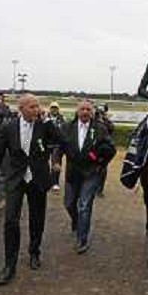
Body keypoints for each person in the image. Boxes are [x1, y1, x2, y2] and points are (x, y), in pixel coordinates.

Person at [0, 94, 63, 285]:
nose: (36, 110)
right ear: (21, 108)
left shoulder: (44, 126)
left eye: (37, 106)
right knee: (11, 220)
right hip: (16, 179)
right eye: (31, 107)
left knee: (37, 218)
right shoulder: (8, 127)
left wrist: (48, 122)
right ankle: (9, 265)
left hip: (38, 178)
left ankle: (34, 252)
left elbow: (62, 140)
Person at [55, 99, 116, 254]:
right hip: (72, 173)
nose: (85, 112)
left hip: (91, 173)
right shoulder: (67, 127)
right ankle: (76, 222)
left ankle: (82, 239)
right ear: (77, 111)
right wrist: (56, 161)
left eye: (88, 109)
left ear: (92, 112)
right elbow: (59, 147)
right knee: (69, 203)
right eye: (82, 109)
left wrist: (101, 163)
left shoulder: (100, 128)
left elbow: (111, 149)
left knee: (84, 206)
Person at [95, 104, 114, 197]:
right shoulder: (92, 120)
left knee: (103, 169)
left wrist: (104, 120)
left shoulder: (106, 121)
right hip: (93, 149)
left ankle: (100, 190)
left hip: (103, 150)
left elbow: (111, 129)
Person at [48, 101, 65, 192]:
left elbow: (63, 130)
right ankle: (48, 180)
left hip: (57, 145)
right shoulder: (46, 118)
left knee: (56, 163)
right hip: (46, 144)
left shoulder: (62, 119)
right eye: (52, 108)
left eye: (56, 108)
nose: (54, 110)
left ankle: (55, 182)